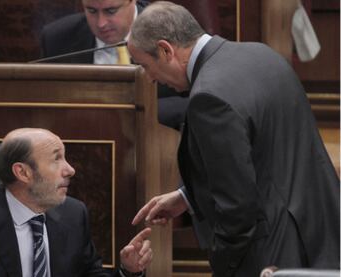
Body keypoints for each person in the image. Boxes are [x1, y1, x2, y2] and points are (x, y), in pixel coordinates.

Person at [128, 2, 340, 277]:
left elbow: (237, 210)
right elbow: (264, 156)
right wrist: (187, 197)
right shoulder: (261, 54)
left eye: (146, 66)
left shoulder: (209, 98)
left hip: (273, 254)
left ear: (165, 49)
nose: (150, 78)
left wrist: (224, 265)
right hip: (321, 234)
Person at [0, 128, 152, 277]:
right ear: (23, 172)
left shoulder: (73, 215)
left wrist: (128, 271)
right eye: (57, 159)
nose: (70, 169)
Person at [40, 0, 188, 130]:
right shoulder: (57, 38)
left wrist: (140, 112)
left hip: (160, 143)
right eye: (91, 11)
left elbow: (196, 101)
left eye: (110, 11)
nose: (101, 23)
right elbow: (46, 105)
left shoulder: (171, 29)